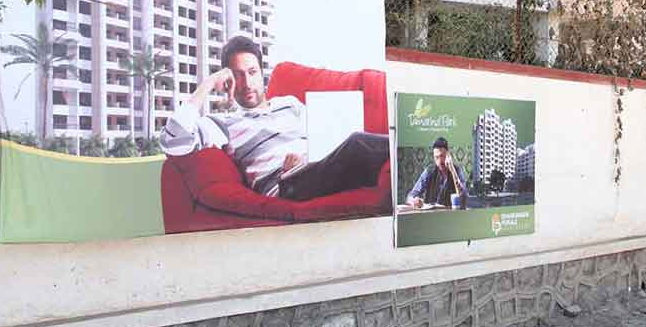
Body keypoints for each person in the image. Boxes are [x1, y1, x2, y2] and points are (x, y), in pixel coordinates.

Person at [161, 35, 389, 201]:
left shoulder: (289, 104)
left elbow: (325, 138)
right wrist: (210, 82)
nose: (247, 83)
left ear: (262, 74)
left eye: (252, 72)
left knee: (363, 148)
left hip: (317, 168)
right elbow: (174, 140)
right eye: (238, 76)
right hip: (286, 185)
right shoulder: (225, 124)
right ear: (228, 81)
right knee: (359, 144)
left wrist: (306, 158)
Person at [406, 137, 467, 209]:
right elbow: (411, 195)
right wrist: (414, 201)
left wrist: (452, 170)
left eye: (442, 156)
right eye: (436, 157)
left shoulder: (457, 171)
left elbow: (462, 198)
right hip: (431, 214)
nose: (440, 161)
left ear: (448, 155)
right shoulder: (429, 171)